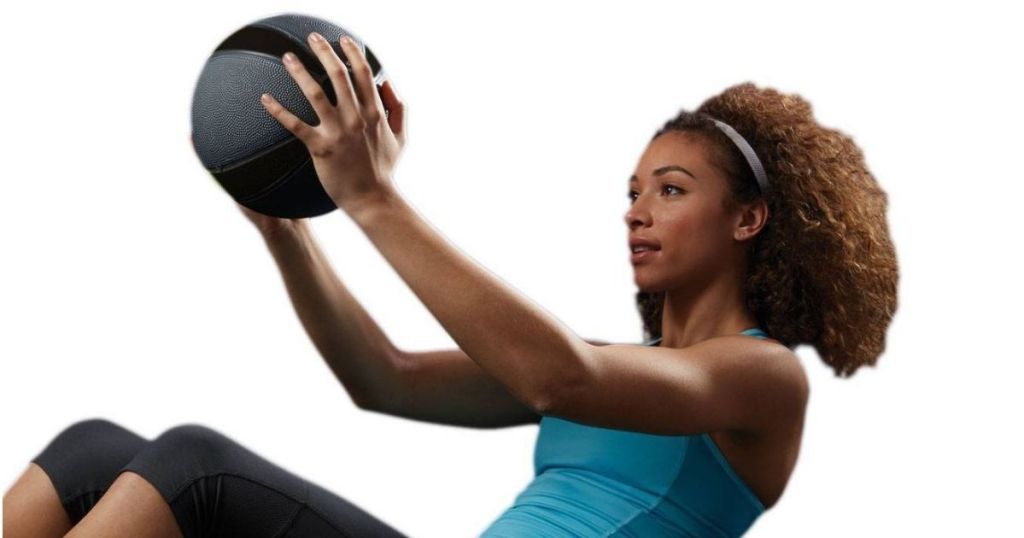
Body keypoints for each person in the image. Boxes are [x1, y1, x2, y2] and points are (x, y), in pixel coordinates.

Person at [3, 31, 898, 538]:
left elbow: (559, 378)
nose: (637, 212)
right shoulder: (611, 369)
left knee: (192, 463)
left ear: (749, 221)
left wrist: (372, 196)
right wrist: (291, 237)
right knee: (92, 450)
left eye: (670, 191)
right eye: (631, 192)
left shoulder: (761, 379)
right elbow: (381, 377)